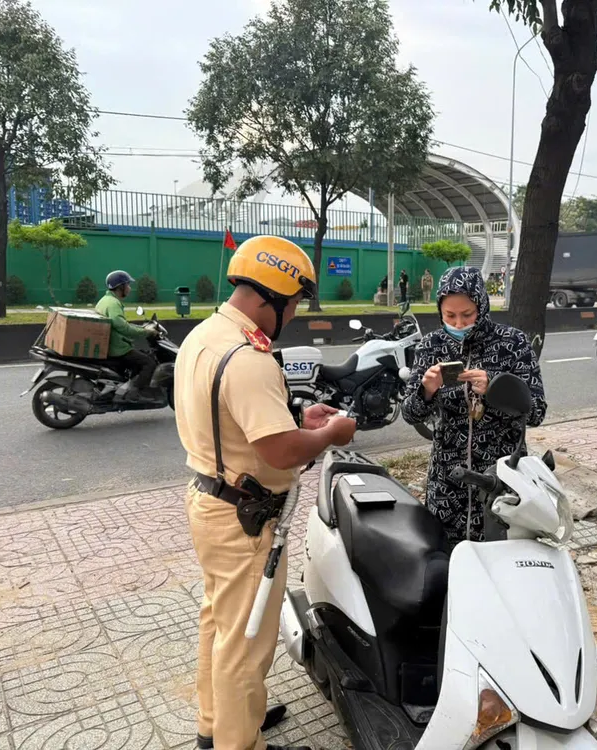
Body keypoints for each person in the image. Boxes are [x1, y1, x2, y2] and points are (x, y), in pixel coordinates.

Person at [175, 235, 356, 750]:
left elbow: (235, 420)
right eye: (292, 304)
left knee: (220, 624)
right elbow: (279, 451)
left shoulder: (206, 334)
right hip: (244, 519)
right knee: (246, 643)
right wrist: (330, 434)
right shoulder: (249, 357)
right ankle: (239, 743)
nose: (293, 315)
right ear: (269, 296)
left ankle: (218, 726)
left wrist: (299, 419)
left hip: (211, 499)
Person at [401, 266, 546, 546]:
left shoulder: (513, 343)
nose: (458, 323)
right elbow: (410, 414)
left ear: (482, 306)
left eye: (467, 314)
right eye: (450, 315)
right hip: (448, 480)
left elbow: (537, 411)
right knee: (450, 559)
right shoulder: (431, 346)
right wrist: (426, 391)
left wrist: (496, 388)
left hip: (502, 478)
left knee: (502, 557)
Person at [95, 270, 158, 402]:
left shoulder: (105, 300)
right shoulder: (113, 304)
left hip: (111, 344)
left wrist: (141, 328)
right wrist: (147, 332)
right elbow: (124, 328)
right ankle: (134, 393)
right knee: (149, 362)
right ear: (120, 287)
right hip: (118, 348)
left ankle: (126, 387)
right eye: (128, 285)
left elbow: (121, 324)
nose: (129, 288)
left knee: (141, 356)